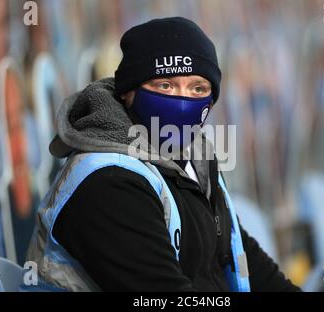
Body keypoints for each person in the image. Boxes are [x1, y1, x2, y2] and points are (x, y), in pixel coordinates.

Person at [26, 16, 300, 292]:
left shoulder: (196, 162)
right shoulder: (107, 181)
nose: (181, 102)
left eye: (198, 88)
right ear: (129, 92)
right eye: (165, 85)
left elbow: (243, 256)